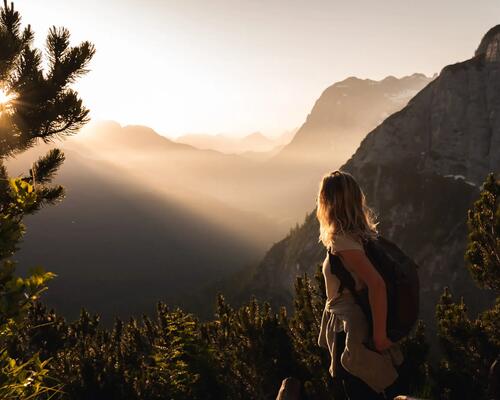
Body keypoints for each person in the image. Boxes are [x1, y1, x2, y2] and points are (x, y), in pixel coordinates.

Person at [316, 170, 404, 400]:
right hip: (353, 324)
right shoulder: (360, 236)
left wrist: (379, 336)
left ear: (328, 202)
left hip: (351, 330)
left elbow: (376, 284)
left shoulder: (343, 242)